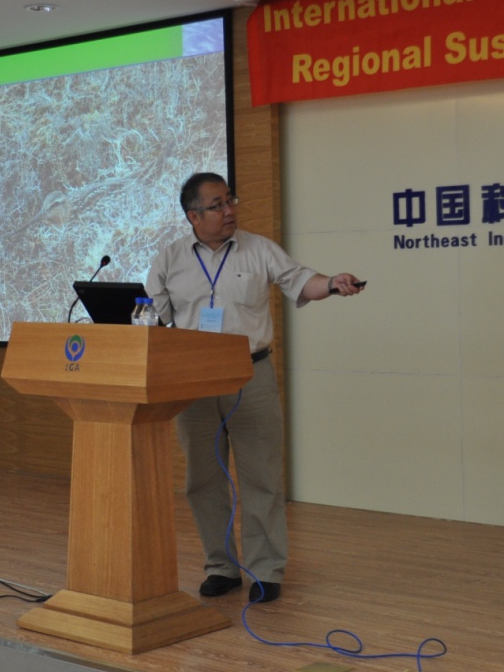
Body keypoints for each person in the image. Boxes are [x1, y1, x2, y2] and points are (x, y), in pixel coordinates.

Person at [146, 172, 364, 603]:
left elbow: (301, 280)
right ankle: (220, 567)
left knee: (262, 478)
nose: (229, 211)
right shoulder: (170, 258)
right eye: (217, 205)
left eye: (231, 200)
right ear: (193, 216)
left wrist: (332, 284)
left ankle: (266, 571)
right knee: (202, 480)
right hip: (193, 380)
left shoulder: (258, 248)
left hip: (251, 375)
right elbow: (153, 316)